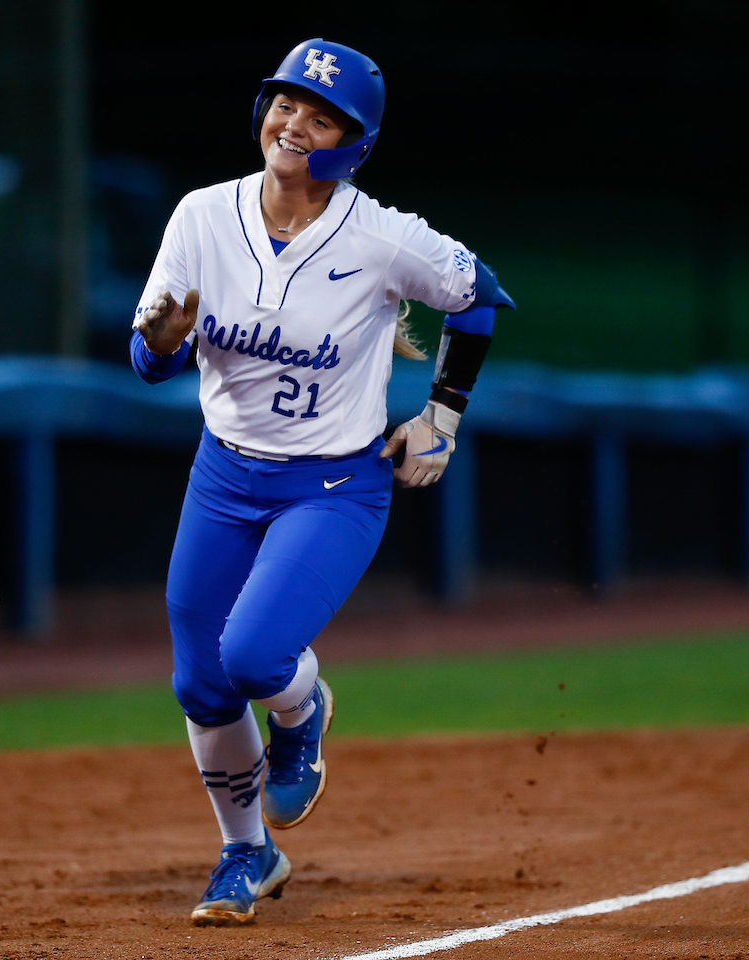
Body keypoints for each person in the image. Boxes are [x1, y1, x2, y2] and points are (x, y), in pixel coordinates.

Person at [129, 38, 514, 927]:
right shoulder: (201, 216)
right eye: (286, 103)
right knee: (201, 685)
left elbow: (481, 296)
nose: (295, 123)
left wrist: (442, 415)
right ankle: (246, 853)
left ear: (354, 141)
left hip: (332, 486)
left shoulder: (381, 237)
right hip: (223, 476)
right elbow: (150, 361)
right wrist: (160, 343)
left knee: (253, 657)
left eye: (322, 116)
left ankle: (302, 714)